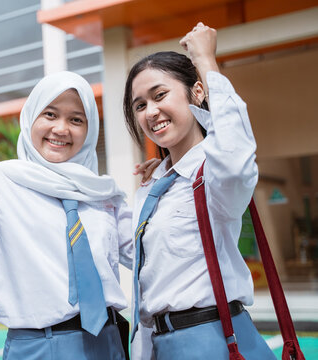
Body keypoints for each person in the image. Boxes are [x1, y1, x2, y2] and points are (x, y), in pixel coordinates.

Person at [0, 57, 133, 359]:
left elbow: (148, 256)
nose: (61, 128)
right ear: (30, 118)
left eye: (76, 119)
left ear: (90, 129)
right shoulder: (2, 183)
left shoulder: (104, 193)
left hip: (106, 343)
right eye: (50, 114)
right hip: (37, 346)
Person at [122, 23, 276, 359]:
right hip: (160, 344)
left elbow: (235, 159)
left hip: (211, 339)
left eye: (160, 95)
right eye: (139, 105)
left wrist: (207, 62)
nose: (150, 112)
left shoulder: (215, 174)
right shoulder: (152, 189)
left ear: (197, 93)